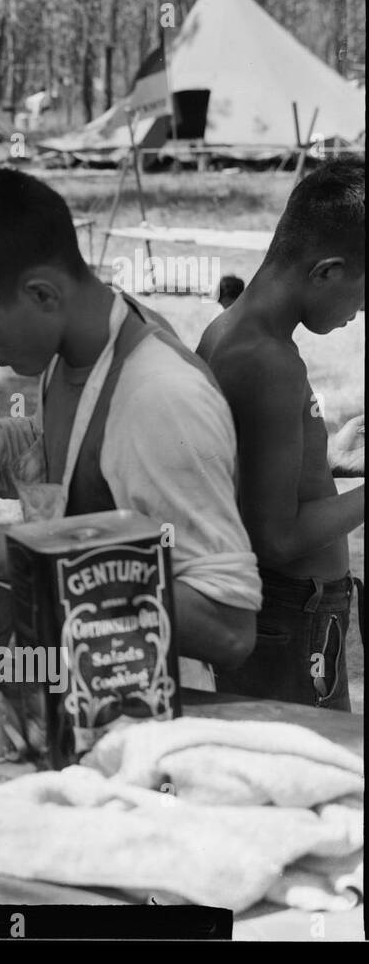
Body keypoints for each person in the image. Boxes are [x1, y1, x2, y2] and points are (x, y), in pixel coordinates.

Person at [0, 166, 261, 670]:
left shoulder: (159, 397)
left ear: (42, 294)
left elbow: (229, 626)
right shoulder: (79, 349)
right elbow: (65, 461)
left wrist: (30, 558)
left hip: (145, 705)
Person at [196, 160, 364, 708]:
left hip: (294, 613)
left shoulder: (230, 331)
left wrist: (328, 462)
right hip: (293, 616)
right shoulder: (267, 361)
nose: (359, 313)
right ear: (326, 272)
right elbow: (276, 537)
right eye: (363, 296)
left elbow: (246, 470)